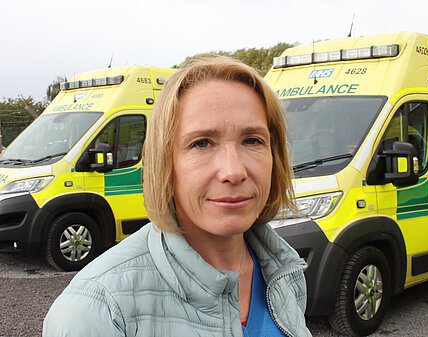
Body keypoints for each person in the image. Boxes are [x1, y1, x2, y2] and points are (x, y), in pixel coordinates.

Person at [43, 56, 311, 337]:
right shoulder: (97, 311)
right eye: (202, 143)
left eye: (253, 140)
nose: (234, 171)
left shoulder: (284, 273)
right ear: (164, 162)